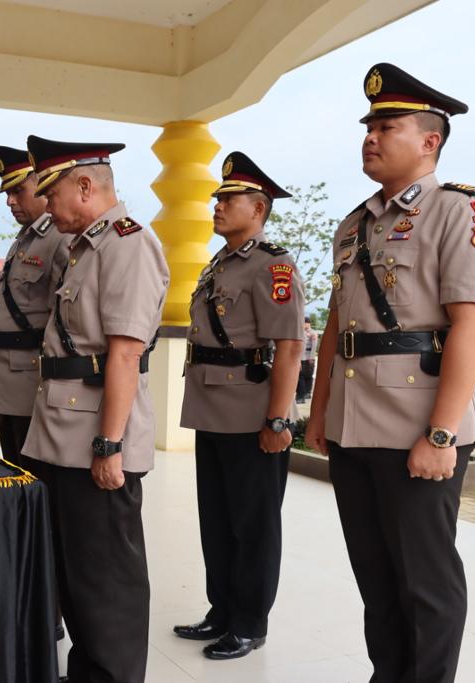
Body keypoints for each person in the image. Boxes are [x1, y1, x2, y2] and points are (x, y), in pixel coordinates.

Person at [305, 63, 475, 683]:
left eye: (386, 126)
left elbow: (470, 329)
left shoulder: (466, 210)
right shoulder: (353, 224)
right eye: (367, 126)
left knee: (424, 580)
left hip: (417, 422)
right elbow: (339, 328)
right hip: (352, 423)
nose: (370, 136)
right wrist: (318, 416)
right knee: (375, 576)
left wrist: (443, 433)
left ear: (430, 141)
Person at [20, 135, 169, 683]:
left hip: (94, 437)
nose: (44, 203)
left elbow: (125, 354)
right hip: (64, 428)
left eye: (50, 191)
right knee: (76, 570)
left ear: (85, 186)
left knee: (107, 576)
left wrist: (110, 445)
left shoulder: (128, 244)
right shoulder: (87, 245)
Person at [173, 152, 305, 660]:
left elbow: (289, 347)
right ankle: (222, 610)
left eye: (229, 199)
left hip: (251, 411)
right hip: (212, 407)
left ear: (259, 207)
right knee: (217, 518)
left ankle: (250, 622)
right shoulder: (221, 263)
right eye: (218, 199)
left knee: (253, 524)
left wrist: (278, 418)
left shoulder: (273, 264)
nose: (218, 207)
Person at [0, 146, 68, 466]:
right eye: (7, 192)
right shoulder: (25, 239)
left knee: (35, 484)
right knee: (16, 477)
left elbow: (66, 319)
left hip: (35, 385)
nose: (10, 200)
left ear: (42, 184)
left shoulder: (60, 237)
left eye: (18, 190)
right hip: (10, 384)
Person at [296, 316, 319, 403]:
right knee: (301, 376)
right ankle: (303, 394)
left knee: (307, 376)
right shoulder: (302, 332)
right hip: (301, 357)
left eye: (304, 322)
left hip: (308, 357)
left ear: (308, 323)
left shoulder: (313, 333)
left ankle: (305, 394)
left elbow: (314, 346)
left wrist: (312, 358)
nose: (303, 324)